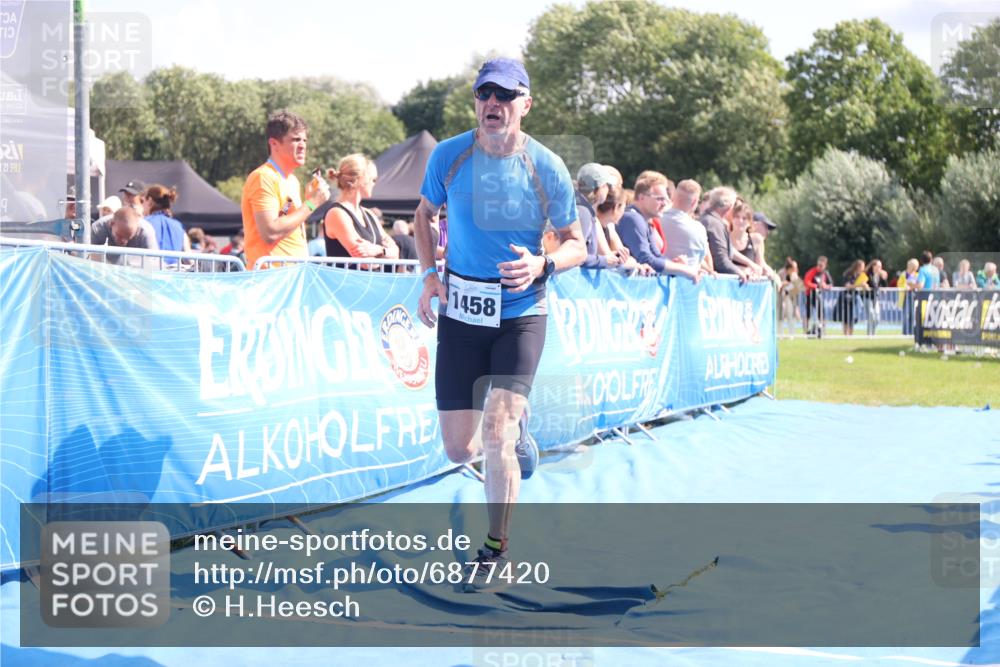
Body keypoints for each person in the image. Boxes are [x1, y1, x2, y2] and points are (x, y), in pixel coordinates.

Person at [412, 58, 586, 591]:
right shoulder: (450, 155)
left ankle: (496, 546)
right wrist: (428, 276)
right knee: (459, 449)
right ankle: (516, 437)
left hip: (521, 314)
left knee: (496, 434)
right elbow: (424, 215)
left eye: (505, 96)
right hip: (462, 314)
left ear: (525, 104)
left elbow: (577, 242)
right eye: (485, 93)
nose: (494, 103)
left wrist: (545, 264)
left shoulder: (547, 166)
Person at [241, 110, 330, 269]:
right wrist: (311, 203)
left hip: (291, 276)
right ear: (274, 144)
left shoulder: (292, 181)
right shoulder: (263, 177)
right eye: (296, 140)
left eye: (304, 140)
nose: (303, 145)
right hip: (271, 278)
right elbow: (270, 232)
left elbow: (281, 218)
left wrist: (308, 202)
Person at [617, 171, 699, 281]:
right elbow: (646, 259)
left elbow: (656, 255)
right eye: (660, 199)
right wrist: (685, 270)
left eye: (666, 199)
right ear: (642, 197)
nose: (665, 203)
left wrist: (680, 267)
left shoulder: (645, 220)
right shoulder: (633, 218)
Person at [323, 154, 399, 269]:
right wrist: (387, 253)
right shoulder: (337, 213)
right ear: (362, 179)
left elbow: (396, 253)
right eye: (373, 180)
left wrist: (377, 250)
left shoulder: (369, 214)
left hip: (371, 284)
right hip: (347, 285)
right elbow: (366, 263)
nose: (374, 184)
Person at [700, 187, 752, 282]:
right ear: (729, 208)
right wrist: (740, 273)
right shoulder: (714, 224)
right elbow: (720, 261)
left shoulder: (707, 219)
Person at [659, 179, 711, 274]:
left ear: (673, 196)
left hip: (657, 282)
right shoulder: (699, 229)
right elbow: (703, 259)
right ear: (694, 202)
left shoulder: (656, 219)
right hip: (689, 284)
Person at [90, 207, 159, 266]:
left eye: (128, 237)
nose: (124, 241)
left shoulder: (145, 232)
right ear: (111, 224)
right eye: (119, 236)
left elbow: (153, 262)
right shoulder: (98, 228)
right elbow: (91, 259)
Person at [142, 184, 189, 258]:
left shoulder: (143, 223)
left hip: (151, 268)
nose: (142, 205)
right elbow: (188, 259)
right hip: (175, 269)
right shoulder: (179, 226)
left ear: (150, 201)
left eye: (143, 201)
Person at [803, 256, 833, 337]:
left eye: (821, 265)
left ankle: (822, 331)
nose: (819, 267)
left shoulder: (825, 273)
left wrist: (826, 286)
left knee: (821, 314)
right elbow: (806, 282)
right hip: (810, 295)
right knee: (808, 314)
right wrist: (816, 286)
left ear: (825, 265)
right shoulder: (812, 271)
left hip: (819, 296)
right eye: (818, 265)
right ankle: (805, 332)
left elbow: (831, 284)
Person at [838, 259, 866, 336]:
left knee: (853, 318)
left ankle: (851, 335)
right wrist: (859, 285)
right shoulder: (848, 274)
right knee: (846, 318)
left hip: (854, 298)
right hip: (846, 297)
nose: (863, 269)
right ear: (858, 267)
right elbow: (847, 286)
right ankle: (845, 334)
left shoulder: (860, 275)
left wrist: (865, 286)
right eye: (862, 267)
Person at [779, 258, 803, 338]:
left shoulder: (794, 274)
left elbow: (799, 286)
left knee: (791, 316)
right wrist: (786, 283)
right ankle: (780, 334)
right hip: (781, 297)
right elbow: (779, 283)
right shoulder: (781, 272)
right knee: (780, 316)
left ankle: (791, 334)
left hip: (790, 297)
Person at [864, 259, 887, 336]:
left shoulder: (879, 275)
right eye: (878, 266)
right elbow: (873, 285)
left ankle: (872, 333)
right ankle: (869, 334)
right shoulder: (868, 274)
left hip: (875, 298)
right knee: (871, 316)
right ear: (873, 266)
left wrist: (883, 277)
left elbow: (884, 285)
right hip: (868, 298)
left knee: (877, 318)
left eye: (881, 266)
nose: (880, 268)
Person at [898, 258, 920, 335]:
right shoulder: (904, 274)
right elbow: (899, 284)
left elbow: (919, 285)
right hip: (905, 296)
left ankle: (911, 332)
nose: (915, 268)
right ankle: (905, 332)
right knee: (906, 315)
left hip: (914, 296)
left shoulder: (917, 275)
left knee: (912, 315)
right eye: (913, 266)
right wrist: (905, 286)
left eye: (916, 266)